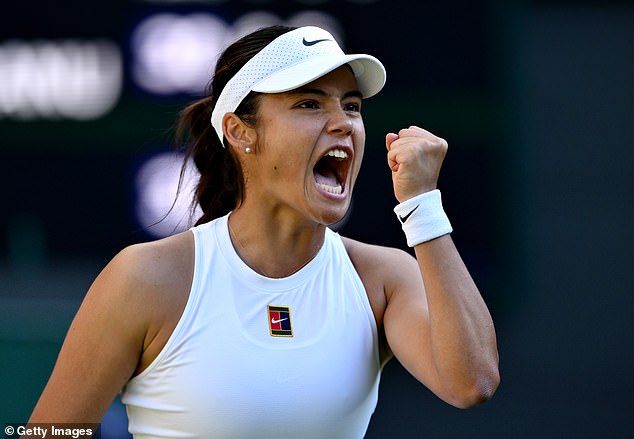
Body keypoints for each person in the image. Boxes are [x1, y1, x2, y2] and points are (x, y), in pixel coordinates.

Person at [26, 25, 499, 438]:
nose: (343, 123)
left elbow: (472, 382)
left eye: (351, 106)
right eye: (309, 103)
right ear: (239, 132)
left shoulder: (384, 279)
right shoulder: (146, 277)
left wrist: (422, 206)